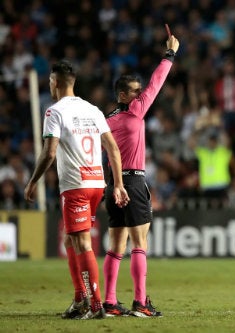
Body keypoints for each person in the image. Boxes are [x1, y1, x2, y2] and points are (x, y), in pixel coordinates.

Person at [24, 60, 129, 319]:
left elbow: (49, 153)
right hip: (96, 183)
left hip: (75, 186)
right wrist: (118, 184)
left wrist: (33, 180)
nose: (49, 85)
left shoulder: (54, 112)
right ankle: (80, 297)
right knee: (70, 238)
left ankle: (94, 305)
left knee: (82, 242)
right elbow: (113, 149)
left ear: (55, 82)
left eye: (49, 81)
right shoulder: (92, 109)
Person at [102, 28, 179, 317]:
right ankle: (140, 302)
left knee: (115, 246)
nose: (140, 94)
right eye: (134, 90)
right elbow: (157, 83)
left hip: (113, 185)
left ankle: (109, 302)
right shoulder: (135, 112)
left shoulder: (106, 120)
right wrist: (169, 54)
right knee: (139, 244)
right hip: (132, 182)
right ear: (123, 95)